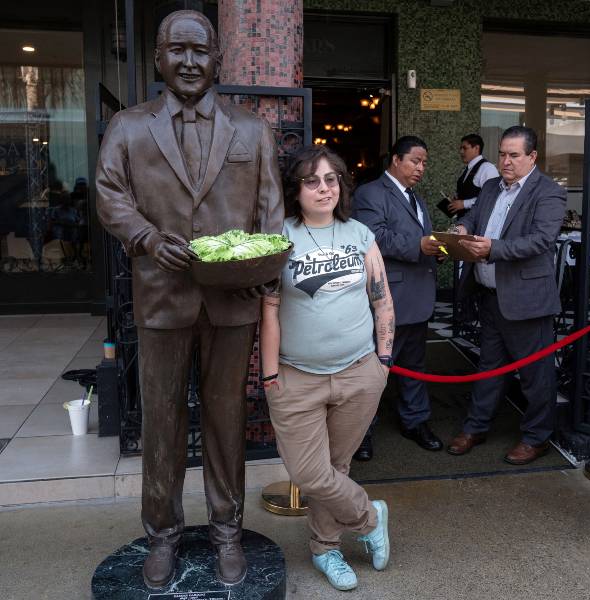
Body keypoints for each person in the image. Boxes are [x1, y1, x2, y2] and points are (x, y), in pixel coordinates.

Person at [95, 10, 283, 588]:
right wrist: (147, 238)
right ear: (158, 58)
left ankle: (227, 526)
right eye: (177, 50)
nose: (189, 62)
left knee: (228, 419)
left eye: (200, 51)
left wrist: (264, 266)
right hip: (162, 295)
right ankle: (163, 532)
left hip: (231, 302)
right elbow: (109, 193)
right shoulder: (129, 126)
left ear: (218, 59)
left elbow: (270, 208)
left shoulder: (251, 129)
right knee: (163, 422)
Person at [260, 145, 393, 591]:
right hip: (296, 376)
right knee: (310, 473)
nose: (323, 188)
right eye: (312, 180)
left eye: (331, 179)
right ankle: (370, 517)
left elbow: (381, 298)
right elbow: (270, 310)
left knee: (338, 466)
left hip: (359, 371)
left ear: (341, 186)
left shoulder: (360, 235)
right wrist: (269, 374)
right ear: (295, 190)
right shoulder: (280, 238)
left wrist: (384, 361)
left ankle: (325, 550)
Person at [446, 125, 566, 464]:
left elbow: (541, 240)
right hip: (489, 295)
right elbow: (473, 216)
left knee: (535, 374)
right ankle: (476, 426)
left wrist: (492, 249)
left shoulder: (548, 192)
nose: (506, 161)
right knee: (488, 367)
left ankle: (537, 436)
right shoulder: (489, 187)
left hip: (526, 300)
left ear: (532, 157)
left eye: (514, 155)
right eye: (502, 154)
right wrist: (462, 229)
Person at [351, 135, 444, 460]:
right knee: (375, 369)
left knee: (414, 365)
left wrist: (440, 250)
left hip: (418, 296)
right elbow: (373, 236)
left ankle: (415, 421)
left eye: (424, 162)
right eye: (415, 161)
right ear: (395, 159)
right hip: (387, 298)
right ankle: (361, 433)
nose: (421, 168)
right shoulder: (371, 193)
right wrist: (419, 246)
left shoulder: (414, 197)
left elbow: (421, 238)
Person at [447, 133, 499, 218]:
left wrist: (463, 204)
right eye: (460, 148)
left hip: (478, 224)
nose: (461, 152)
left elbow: (491, 197)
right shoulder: (466, 170)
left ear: (476, 148)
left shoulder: (487, 168)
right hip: (464, 222)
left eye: (464, 148)